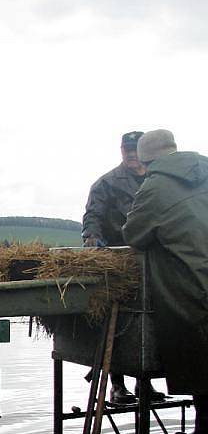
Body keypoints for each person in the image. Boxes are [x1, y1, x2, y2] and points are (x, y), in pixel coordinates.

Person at [123, 129, 208, 434]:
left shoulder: (156, 185)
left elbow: (135, 234)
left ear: (146, 161)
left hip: (192, 286)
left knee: (200, 360)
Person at [82, 130, 164, 405]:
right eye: (126, 149)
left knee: (147, 320)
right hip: (119, 262)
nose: (130, 154)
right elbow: (92, 215)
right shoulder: (106, 183)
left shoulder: (158, 180)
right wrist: (91, 238)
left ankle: (145, 383)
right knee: (116, 320)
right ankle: (118, 385)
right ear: (121, 150)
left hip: (152, 262)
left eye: (134, 149)